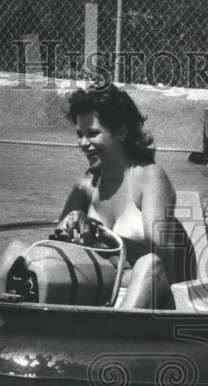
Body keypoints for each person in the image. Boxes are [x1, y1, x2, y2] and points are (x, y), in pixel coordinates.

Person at [55, 82, 191, 309]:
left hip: (153, 294)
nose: (83, 143)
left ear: (121, 131)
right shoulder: (84, 186)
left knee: (150, 263)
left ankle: (114, 333)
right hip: (104, 287)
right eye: (80, 134)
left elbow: (162, 256)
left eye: (93, 133)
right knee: (24, 253)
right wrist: (73, 233)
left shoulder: (150, 178)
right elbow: (56, 245)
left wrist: (99, 238)